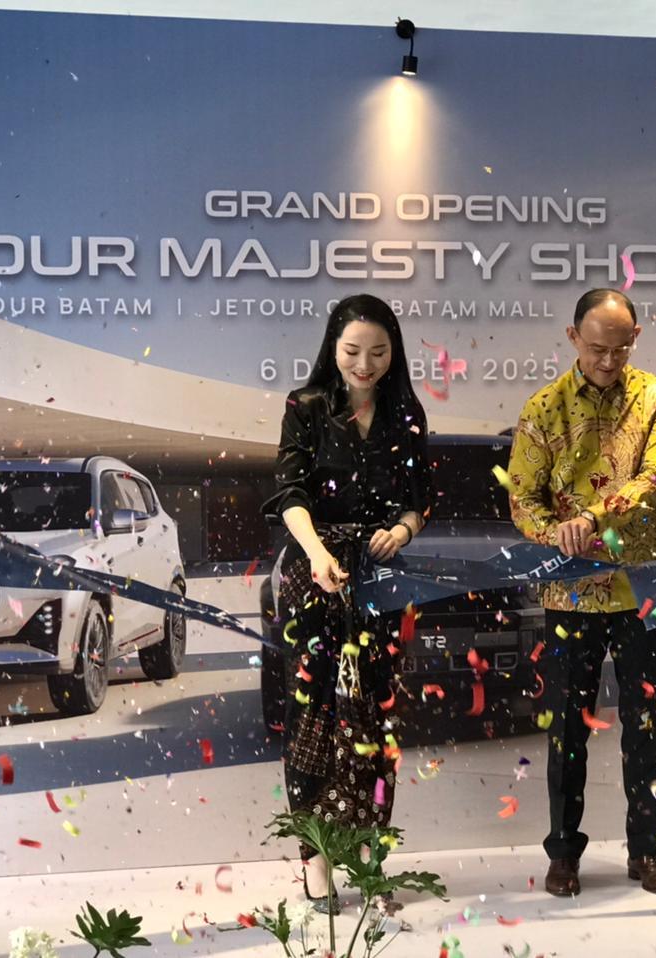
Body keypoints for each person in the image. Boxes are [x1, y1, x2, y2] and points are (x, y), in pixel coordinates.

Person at [507, 288, 656, 897]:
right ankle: (563, 855)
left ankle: (646, 852)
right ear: (572, 338)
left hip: (644, 587)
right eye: (597, 349)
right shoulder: (543, 409)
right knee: (567, 732)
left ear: (636, 339)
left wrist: (592, 516)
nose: (609, 361)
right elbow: (522, 501)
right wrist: (552, 531)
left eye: (621, 349)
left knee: (646, 727)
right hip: (570, 593)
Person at [263, 294, 431, 911]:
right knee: (314, 716)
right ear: (333, 347)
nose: (365, 364)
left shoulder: (406, 413)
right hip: (315, 577)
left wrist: (403, 531)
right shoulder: (305, 407)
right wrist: (315, 553)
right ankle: (315, 862)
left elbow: (420, 498)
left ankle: (369, 856)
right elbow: (289, 492)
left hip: (381, 579)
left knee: (376, 718)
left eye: (378, 353)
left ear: (394, 354)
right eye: (353, 351)